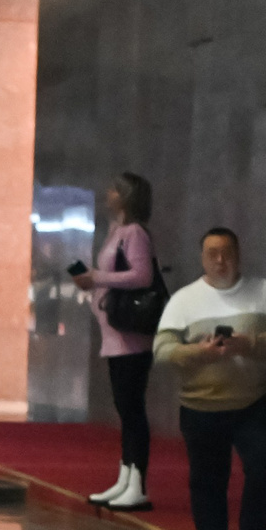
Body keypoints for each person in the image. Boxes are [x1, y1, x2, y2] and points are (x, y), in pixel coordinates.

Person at [151, 228, 266, 530]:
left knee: (265, 467)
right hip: (201, 406)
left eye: (226, 253)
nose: (220, 260)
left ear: (238, 255)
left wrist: (250, 344)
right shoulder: (184, 300)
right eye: (212, 253)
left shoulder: (262, 291)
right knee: (208, 483)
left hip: (253, 402)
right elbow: (162, 351)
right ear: (202, 258)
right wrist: (199, 352)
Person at [70, 172, 163, 512]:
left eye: (114, 189)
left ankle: (137, 482)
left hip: (130, 335)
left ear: (125, 196)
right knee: (125, 409)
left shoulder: (135, 233)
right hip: (114, 334)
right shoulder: (118, 231)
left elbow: (142, 276)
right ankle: (126, 476)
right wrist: (92, 281)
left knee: (132, 408)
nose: (107, 193)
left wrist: (98, 277)